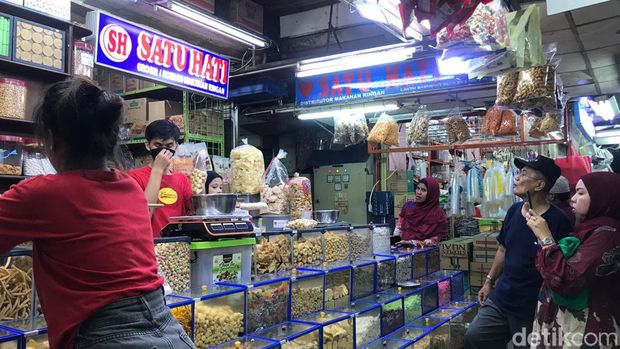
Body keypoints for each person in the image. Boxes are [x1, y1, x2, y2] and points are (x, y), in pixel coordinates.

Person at [0, 78, 195, 348]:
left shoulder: (42, 194)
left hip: (106, 338)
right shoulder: (129, 187)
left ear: (53, 140)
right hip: (169, 332)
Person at [464, 156, 572, 349]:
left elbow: (562, 266)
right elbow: (503, 248)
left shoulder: (559, 220)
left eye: (524, 174)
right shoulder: (513, 211)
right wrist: (489, 281)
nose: (516, 178)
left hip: (532, 305)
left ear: (539, 185)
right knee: (475, 336)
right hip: (502, 297)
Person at [526, 172, 620, 349]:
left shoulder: (607, 234)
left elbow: (568, 279)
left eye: (581, 193)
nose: (573, 199)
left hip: (587, 331)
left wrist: (546, 238)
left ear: (603, 195)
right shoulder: (591, 228)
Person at [128, 120, 192, 237]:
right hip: (149, 245)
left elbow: (193, 213)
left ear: (176, 146)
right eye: (157, 145)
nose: (164, 151)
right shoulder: (134, 177)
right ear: (148, 145)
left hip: (177, 246)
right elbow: (143, 215)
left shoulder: (182, 179)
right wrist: (157, 170)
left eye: (169, 146)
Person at [393, 177, 448, 247]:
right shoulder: (408, 206)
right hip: (402, 251)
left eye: (423, 190)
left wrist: (412, 242)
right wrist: (396, 241)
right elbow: (398, 227)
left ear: (432, 193)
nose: (419, 192)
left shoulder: (437, 214)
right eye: (418, 188)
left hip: (425, 254)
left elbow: (435, 241)